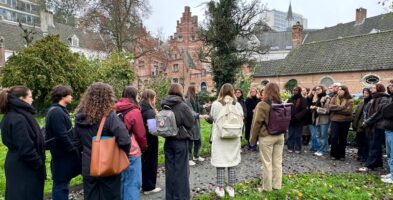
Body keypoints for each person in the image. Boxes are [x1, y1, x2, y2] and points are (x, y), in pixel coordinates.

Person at [75, 82, 131, 200]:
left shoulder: (79, 117)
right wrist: (122, 154)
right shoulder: (110, 118)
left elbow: (76, 143)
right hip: (108, 165)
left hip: (88, 166)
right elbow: (125, 140)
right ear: (108, 97)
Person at [0, 86, 46, 200]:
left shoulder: (11, 115)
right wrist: (38, 164)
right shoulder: (18, 118)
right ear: (21, 99)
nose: (32, 99)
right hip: (24, 166)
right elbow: (26, 148)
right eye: (30, 96)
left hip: (17, 162)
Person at [45, 85, 81, 200]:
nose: (71, 96)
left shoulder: (59, 110)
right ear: (62, 96)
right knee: (61, 185)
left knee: (63, 184)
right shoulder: (56, 112)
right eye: (69, 94)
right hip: (61, 155)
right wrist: (72, 147)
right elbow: (61, 135)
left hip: (63, 154)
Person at [161, 83, 195, 200]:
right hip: (180, 141)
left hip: (168, 140)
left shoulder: (164, 104)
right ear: (180, 91)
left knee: (170, 171)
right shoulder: (182, 105)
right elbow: (190, 123)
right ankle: (181, 197)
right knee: (181, 172)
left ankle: (170, 197)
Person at [210, 83, 243, 198]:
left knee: (220, 161)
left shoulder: (215, 104)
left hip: (220, 137)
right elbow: (241, 119)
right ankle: (231, 187)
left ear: (221, 91)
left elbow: (213, 118)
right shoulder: (237, 105)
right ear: (233, 91)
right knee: (232, 161)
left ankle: (220, 187)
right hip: (233, 137)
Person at [250, 83, 284, 192]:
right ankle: (277, 185)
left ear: (266, 91)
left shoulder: (262, 104)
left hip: (267, 136)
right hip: (280, 136)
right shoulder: (282, 103)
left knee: (266, 163)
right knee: (277, 162)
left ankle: (267, 188)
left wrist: (252, 139)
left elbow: (256, 123)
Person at [115, 86, 147, 200]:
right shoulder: (134, 111)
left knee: (122, 181)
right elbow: (140, 133)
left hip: (116, 149)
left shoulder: (114, 108)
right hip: (132, 150)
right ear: (134, 96)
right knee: (133, 183)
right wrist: (143, 147)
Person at [359, 83, 391, 171]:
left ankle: (369, 165)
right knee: (376, 146)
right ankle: (378, 163)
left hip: (379, 125)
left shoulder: (384, 98)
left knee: (374, 146)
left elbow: (379, 113)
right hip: (374, 125)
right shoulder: (375, 98)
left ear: (379, 88)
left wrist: (367, 122)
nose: (372, 89)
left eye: (374, 87)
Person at [140, 89, 162, 194]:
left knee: (144, 163)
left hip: (143, 140)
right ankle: (149, 188)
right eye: (154, 98)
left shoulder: (141, 108)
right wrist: (162, 129)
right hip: (151, 141)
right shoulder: (149, 111)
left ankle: (144, 185)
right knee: (151, 163)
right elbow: (153, 130)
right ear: (150, 98)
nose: (155, 100)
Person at [329, 85, 353, 161]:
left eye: (340, 90)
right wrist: (342, 107)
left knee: (343, 138)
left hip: (345, 121)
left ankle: (342, 155)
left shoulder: (349, 100)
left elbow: (348, 111)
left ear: (345, 91)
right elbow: (330, 107)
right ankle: (333, 154)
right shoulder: (334, 98)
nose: (338, 91)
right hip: (335, 121)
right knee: (334, 137)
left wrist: (336, 109)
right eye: (338, 89)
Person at [185, 85, 204, 166]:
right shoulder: (187, 99)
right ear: (192, 90)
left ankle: (196, 156)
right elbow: (190, 111)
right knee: (190, 141)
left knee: (198, 141)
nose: (197, 90)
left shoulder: (195, 98)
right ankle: (189, 158)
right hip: (191, 123)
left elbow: (196, 107)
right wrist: (198, 115)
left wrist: (203, 106)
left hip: (196, 122)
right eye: (195, 89)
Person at [310, 85, 331, 156]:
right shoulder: (316, 98)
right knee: (318, 135)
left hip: (324, 120)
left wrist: (316, 108)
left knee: (323, 136)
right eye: (316, 89)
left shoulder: (327, 98)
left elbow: (327, 110)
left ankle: (323, 150)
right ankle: (319, 149)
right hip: (316, 119)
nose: (317, 90)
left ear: (323, 89)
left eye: (319, 89)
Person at [352, 88, 372, 162]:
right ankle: (360, 155)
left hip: (366, 126)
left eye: (366, 93)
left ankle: (365, 156)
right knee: (359, 141)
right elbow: (356, 112)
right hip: (359, 126)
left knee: (365, 142)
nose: (364, 94)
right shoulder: (361, 102)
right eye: (364, 93)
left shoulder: (371, 103)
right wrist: (353, 118)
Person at [287, 86, 308, 153]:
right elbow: (287, 108)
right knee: (290, 134)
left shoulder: (303, 99)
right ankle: (290, 147)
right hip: (291, 120)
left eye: (296, 90)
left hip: (299, 120)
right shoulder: (290, 99)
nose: (294, 91)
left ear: (299, 91)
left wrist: (297, 116)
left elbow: (304, 110)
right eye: (293, 90)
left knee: (297, 135)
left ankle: (297, 148)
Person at [382, 98, 393, 183]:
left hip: (391, 129)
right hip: (388, 128)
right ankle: (391, 172)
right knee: (389, 154)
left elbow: (385, 111)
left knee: (392, 154)